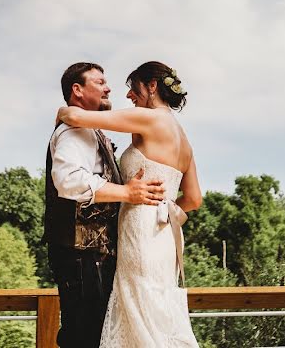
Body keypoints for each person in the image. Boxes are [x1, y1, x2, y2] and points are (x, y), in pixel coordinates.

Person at [57, 60, 202, 348]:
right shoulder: (183, 138)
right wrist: (166, 209)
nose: (128, 96)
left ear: (151, 86)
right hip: (165, 236)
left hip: (141, 231)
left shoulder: (151, 119)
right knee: (155, 307)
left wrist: (62, 111)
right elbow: (194, 199)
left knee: (138, 308)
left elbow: (76, 117)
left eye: (133, 88)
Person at [45, 62, 168, 348]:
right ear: (77, 89)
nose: (108, 87)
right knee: (84, 337)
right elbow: (68, 180)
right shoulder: (73, 132)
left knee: (95, 334)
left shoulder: (88, 128)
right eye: (100, 82)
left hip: (94, 257)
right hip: (82, 257)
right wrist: (127, 193)